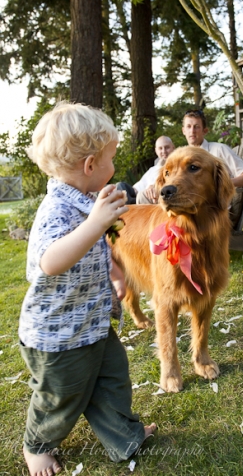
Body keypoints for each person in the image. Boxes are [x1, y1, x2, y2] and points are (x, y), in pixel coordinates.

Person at [20, 102, 156, 476]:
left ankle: (124, 437)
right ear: (90, 165)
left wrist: (114, 272)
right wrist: (95, 224)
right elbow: (50, 260)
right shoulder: (57, 209)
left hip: (92, 324)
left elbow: (103, 242)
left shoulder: (87, 203)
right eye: (111, 159)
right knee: (61, 396)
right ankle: (38, 445)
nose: (116, 168)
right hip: (57, 338)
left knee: (113, 379)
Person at [182, 109, 243, 188]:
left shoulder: (219, 149)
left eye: (196, 127)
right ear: (183, 131)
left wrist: (221, 185)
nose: (192, 131)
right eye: (189, 126)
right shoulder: (182, 157)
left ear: (205, 131)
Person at [117, 135, 175, 204]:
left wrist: (154, 186)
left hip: (153, 197)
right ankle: (130, 204)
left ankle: (130, 205)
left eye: (167, 147)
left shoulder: (175, 167)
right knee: (120, 185)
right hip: (140, 196)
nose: (164, 151)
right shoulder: (152, 169)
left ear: (173, 148)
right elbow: (137, 188)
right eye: (160, 148)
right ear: (156, 151)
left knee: (141, 196)